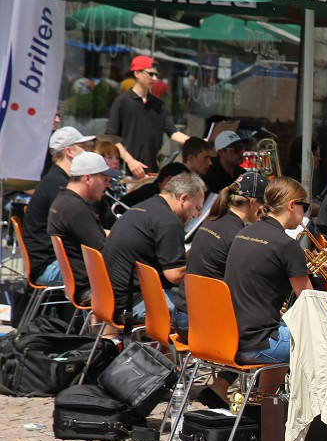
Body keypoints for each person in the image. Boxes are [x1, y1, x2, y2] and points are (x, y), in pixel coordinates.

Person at [173, 171, 268, 406]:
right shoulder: (238, 236)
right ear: (253, 203)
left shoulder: (212, 223)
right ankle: (261, 409)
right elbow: (248, 290)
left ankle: (220, 386)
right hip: (202, 327)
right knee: (268, 334)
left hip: (184, 317)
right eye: (264, 204)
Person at [224, 177, 313, 402]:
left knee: (287, 329)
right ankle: (319, 419)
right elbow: (312, 302)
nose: (305, 213)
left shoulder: (243, 233)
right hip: (257, 343)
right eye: (305, 206)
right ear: (292, 205)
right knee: (326, 347)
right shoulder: (287, 245)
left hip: (228, 338)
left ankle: (263, 403)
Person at [104, 173, 206, 320]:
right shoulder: (169, 221)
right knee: (207, 307)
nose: (197, 215)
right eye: (197, 207)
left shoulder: (143, 207)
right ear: (183, 198)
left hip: (109, 297)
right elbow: (175, 275)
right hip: (132, 303)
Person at [22, 126, 94, 286]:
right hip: (49, 266)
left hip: (45, 262)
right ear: (69, 151)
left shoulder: (55, 179)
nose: (89, 151)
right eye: (83, 147)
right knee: (111, 271)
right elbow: (83, 231)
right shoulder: (59, 186)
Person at [46, 152, 120, 306]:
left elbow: (96, 236)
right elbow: (104, 252)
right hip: (90, 287)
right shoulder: (77, 210)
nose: (108, 184)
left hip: (81, 283)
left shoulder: (62, 201)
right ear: (88, 179)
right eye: (105, 179)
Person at [106, 56, 189, 177]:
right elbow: (111, 137)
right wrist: (131, 161)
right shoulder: (122, 102)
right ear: (137, 73)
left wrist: (196, 142)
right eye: (150, 74)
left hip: (152, 173)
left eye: (156, 74)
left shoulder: (160, 106)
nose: (154, 78)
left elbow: (173, 132)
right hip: (127, 173)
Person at [202, 131, 246, 195]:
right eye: (236, 149)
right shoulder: (210, 179)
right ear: (221, 153)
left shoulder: (242, 173)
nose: (242, 152)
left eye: (242, 147)